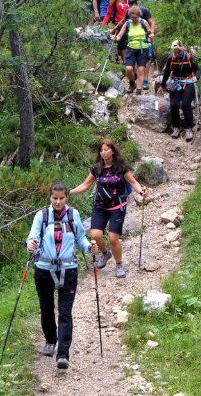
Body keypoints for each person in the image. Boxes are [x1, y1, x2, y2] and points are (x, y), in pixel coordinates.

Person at [26, 183, 90, 370]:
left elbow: (81, 238)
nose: (58, 201)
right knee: (46, 307)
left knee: (65, 311)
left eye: (62, 198)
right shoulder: (42, 216)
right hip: (43, 268)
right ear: (50, 197)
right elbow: (32, 236)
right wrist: (31, 244)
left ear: (67, 197)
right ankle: (50, 339)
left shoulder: (73, 215)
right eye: (55, 198)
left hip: (68, 269)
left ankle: (63, 354)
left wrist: (89, 247)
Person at [70, 139, 148, 279]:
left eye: (106, 149)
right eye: (101, 150)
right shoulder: (96, 168)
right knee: (95, 235)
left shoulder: (121, 167)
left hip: (117, 207)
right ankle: (105, 253)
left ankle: (119, 264)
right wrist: (69, 192)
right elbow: (85, 185)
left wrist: (141, 191)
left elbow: (133, 182)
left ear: (112, 150)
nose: (104, 152)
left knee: (113, 238)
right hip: (100, 206)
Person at [161, 40, 200, 142]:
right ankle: (176, 127)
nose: (177, 54)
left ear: (182, 49)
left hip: (188, 82)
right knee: (174, 104)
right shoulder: (171, 59)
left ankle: (188, 128)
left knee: (186, 104)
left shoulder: (189, 57)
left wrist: (196, 77)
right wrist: (162, 85)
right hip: (175, 83)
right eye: (175, 52)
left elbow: (197, 69)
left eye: (178, 51)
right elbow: (166, 73)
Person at [112, 6, 154, 93]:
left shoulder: (143, 22)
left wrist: (151, 35)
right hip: (130, 48)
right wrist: (116, 38)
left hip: (143, 48)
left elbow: (149, 31)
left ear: (139, 16)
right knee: (129, 69)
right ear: (130, 16)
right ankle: (132, 83)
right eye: (132, 17)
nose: (134, 19)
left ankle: (139, 90)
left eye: (136, 17)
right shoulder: (127, 23)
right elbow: (120, 36)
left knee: (141, 69)